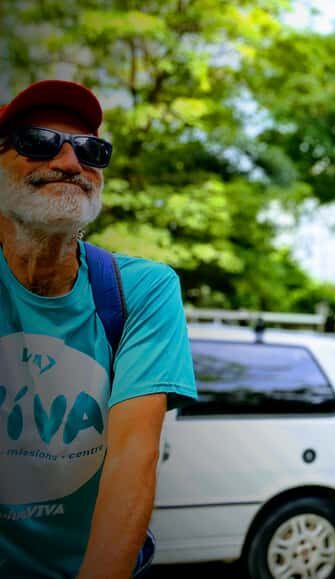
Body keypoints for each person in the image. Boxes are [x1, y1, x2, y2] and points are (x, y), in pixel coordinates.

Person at [0, 80, 197, 577]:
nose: (70, 163)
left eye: (91, 150)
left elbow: (132, 460)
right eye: (37, 142)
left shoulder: (143, 291)